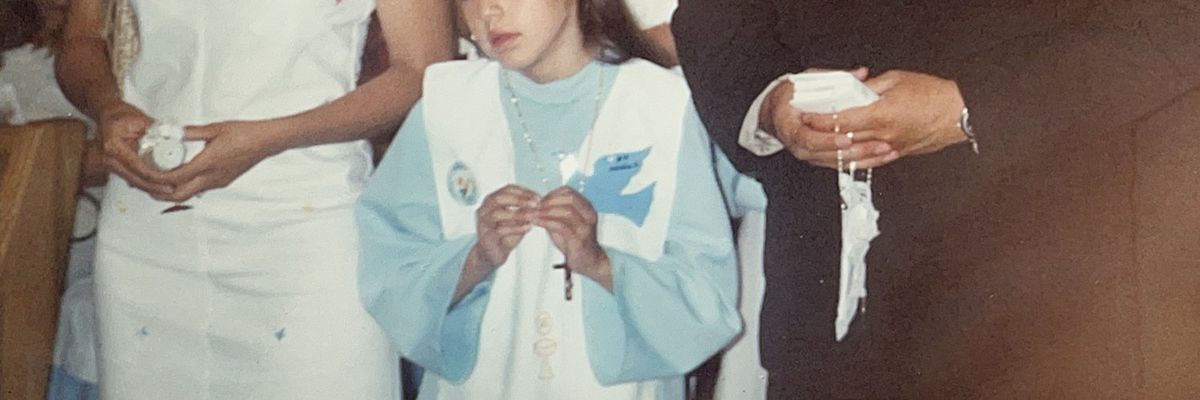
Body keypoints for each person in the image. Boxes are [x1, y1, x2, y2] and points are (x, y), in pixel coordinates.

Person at [674, 0, 1200, 398]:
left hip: (1063, 299)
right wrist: (771, 108)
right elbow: (712, 27)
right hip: (837, 317)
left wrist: (970, 106)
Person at [54, 0, 454, 398]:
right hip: (148, 227)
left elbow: (421, 70)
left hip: (302, 228)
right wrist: (107, 107)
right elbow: (80, 40)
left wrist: (267, 138)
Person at [355, 0, 740, 398]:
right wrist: (474, 260)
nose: (489, 11)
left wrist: (602, 265)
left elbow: (706, 299)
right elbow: (390, 275)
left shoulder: (663, 106)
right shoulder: (447, 108)